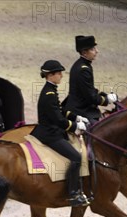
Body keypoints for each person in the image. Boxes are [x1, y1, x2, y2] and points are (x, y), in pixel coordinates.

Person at [31, 60, 89, 207]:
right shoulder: (49, 93)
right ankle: (73, 193)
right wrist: (75, 126)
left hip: (52, 130)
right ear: (50, 75)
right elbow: (57, 119)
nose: (61, 76)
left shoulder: (51, 90)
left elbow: (59, 110)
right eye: (59, 73)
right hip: (50, 134)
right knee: (76, 157)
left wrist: (76, 117)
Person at [64, 35, 117, 124]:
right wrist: (107, 100)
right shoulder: (83, 69)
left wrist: (105, 95)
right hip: (81, 110)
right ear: (84, 53)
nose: (97, 51)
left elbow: (89, 89)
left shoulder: (83, 65)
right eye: (92, 49)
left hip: (82, 107)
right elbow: (90, 97)